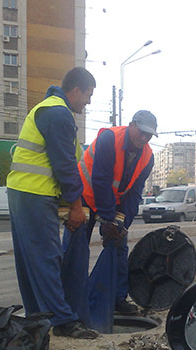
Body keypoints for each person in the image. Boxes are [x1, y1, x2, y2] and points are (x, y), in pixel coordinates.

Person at [6, 67, 98, 339]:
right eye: (88, 95)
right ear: (76, 90)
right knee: (47, 257)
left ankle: (39, 318)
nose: (88, 102)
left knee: (30, 260)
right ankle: (63, 321)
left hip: (22, 192)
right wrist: (76, 206)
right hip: (34, 194)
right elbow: (64, 165)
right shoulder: (58, 113)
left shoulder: (47, 108)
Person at [76, 110, 156, 315]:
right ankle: (72, 297)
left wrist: (121, 225)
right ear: (131, 125)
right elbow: (101, 182)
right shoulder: (108, 139)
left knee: (119, 244)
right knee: (77, 246)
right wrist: (107, 220)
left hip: (111, 201)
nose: (144, 137)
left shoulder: (147, 157)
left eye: (149, 135)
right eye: (141, 131)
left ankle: (117, 298)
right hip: (85, 195)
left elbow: (134, 194)